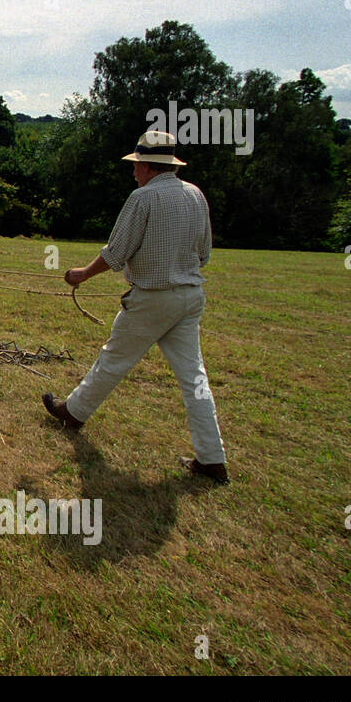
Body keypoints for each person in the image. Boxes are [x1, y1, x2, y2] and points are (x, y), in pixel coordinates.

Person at [42, 130, 229, 484]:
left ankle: (73, 413)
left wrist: (81, 274)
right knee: (195, 379)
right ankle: (212, 459)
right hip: (190, 298)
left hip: (151, 299)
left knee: (113, 359)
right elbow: (204, 253)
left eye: (136, 165)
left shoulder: (142, 199)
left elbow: (116, 253)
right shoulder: (196, 195)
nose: (133, 172)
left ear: (146, 166)